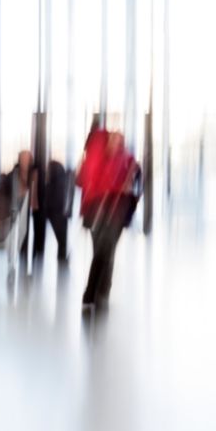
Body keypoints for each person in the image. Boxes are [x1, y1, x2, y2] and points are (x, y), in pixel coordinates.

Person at [78, 131, 140, 308]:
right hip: (97, 211)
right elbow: (83, 181)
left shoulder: (128, 161)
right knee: (101, 252)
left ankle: (97, 293)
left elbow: (136, 185)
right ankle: (97, 292)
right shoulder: (98, 160)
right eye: (112, 139)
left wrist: (127, 187)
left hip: (116, 212)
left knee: (106, 251)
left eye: (118, 140)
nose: (115, 143)